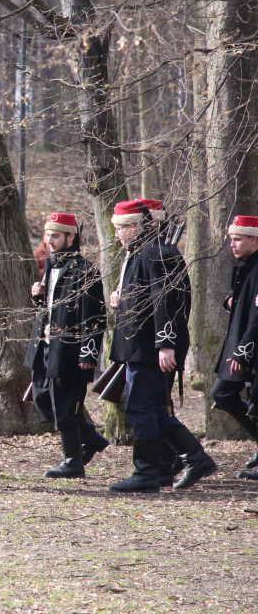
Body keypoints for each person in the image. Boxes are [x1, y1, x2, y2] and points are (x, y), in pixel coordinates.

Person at [108, 199, 216, 492]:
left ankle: (148, 473)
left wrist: (165, 344)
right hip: (142, 348)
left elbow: (166, 303)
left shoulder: (157, 254)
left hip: (150, 349)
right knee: (151, 409)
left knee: (141, 408)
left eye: (123, 228)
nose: (119, 234)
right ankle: (178, 463)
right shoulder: (142, 253)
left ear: (138, 226)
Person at [25, 212, 108, 478]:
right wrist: (38, 297)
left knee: (64, 405)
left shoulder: (86, 271)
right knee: (42, 398)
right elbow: (51, 309)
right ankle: (91, 439)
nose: (50, 240)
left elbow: (95, 316)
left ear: (71, 237)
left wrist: (88, 351)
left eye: (56, 236)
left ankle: (73, 461)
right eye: (48, 235)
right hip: (45, 345)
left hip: (71, 350)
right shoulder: (50, 264)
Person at [211, 215, 258, 481]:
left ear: (254, 239)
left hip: (250, 349)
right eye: (231, 239)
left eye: (238, 239)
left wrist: (244, 350)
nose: (233, 244)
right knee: (222, 394)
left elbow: (257, 316)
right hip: (244, 346)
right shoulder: (246, 266)